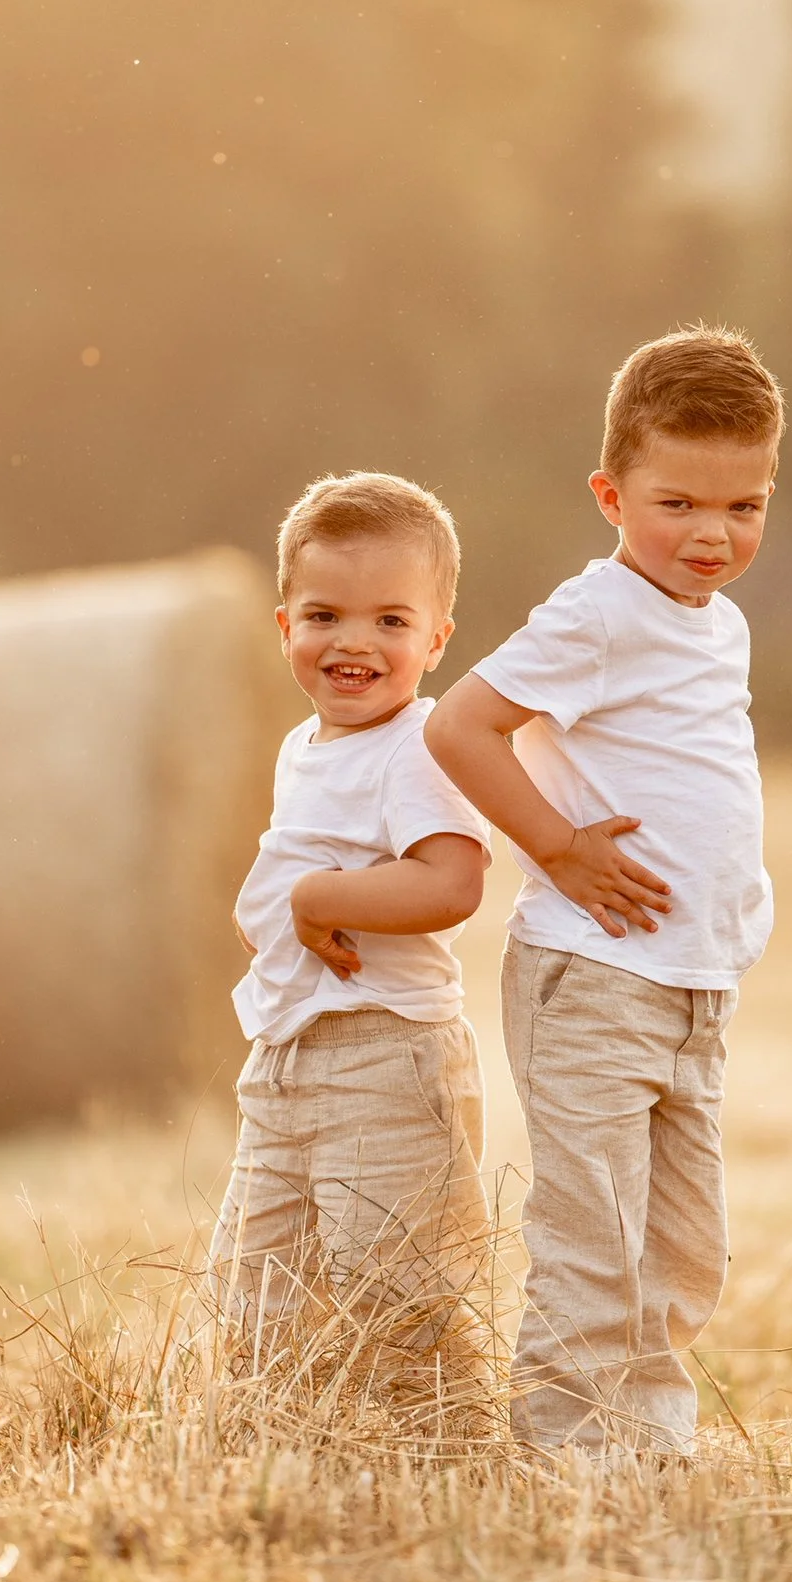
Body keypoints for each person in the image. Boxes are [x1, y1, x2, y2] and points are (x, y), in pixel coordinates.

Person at [425, 326, 784, 1458]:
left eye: (745, 506)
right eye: (677, 503)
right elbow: (461, 723)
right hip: (594, 974)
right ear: (611, 494)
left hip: (693, 986)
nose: (713, 535)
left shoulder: (714, 622)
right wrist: (556, 844)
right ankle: (572, 1454)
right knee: (594, 1234)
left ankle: (649, 1438)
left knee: (686, 1248)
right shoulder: (598, 613)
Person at [208, 470, 494, 1408]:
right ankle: (276, 1440)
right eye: (325, 615)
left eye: (391, 621)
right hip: (287, 1060)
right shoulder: (306, 743)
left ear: (436, 638)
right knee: (255, 1300)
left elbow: (453, 883)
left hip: (387, 1057)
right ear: (285, 624)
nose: (355, 642)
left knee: (400, 1296)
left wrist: (320, 895)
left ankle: (440, 1452)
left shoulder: (421, 745)